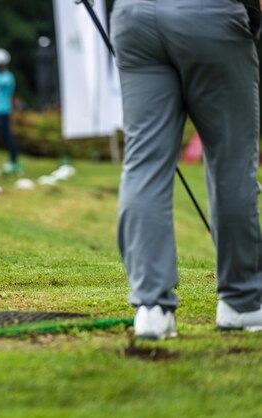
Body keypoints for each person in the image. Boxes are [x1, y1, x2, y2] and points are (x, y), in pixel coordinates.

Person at [111, 0, 262, 339]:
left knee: (143, 165)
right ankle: (241, 302)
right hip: (209, 15)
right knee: (232, 165)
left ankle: (152, 309)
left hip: (134, 16)